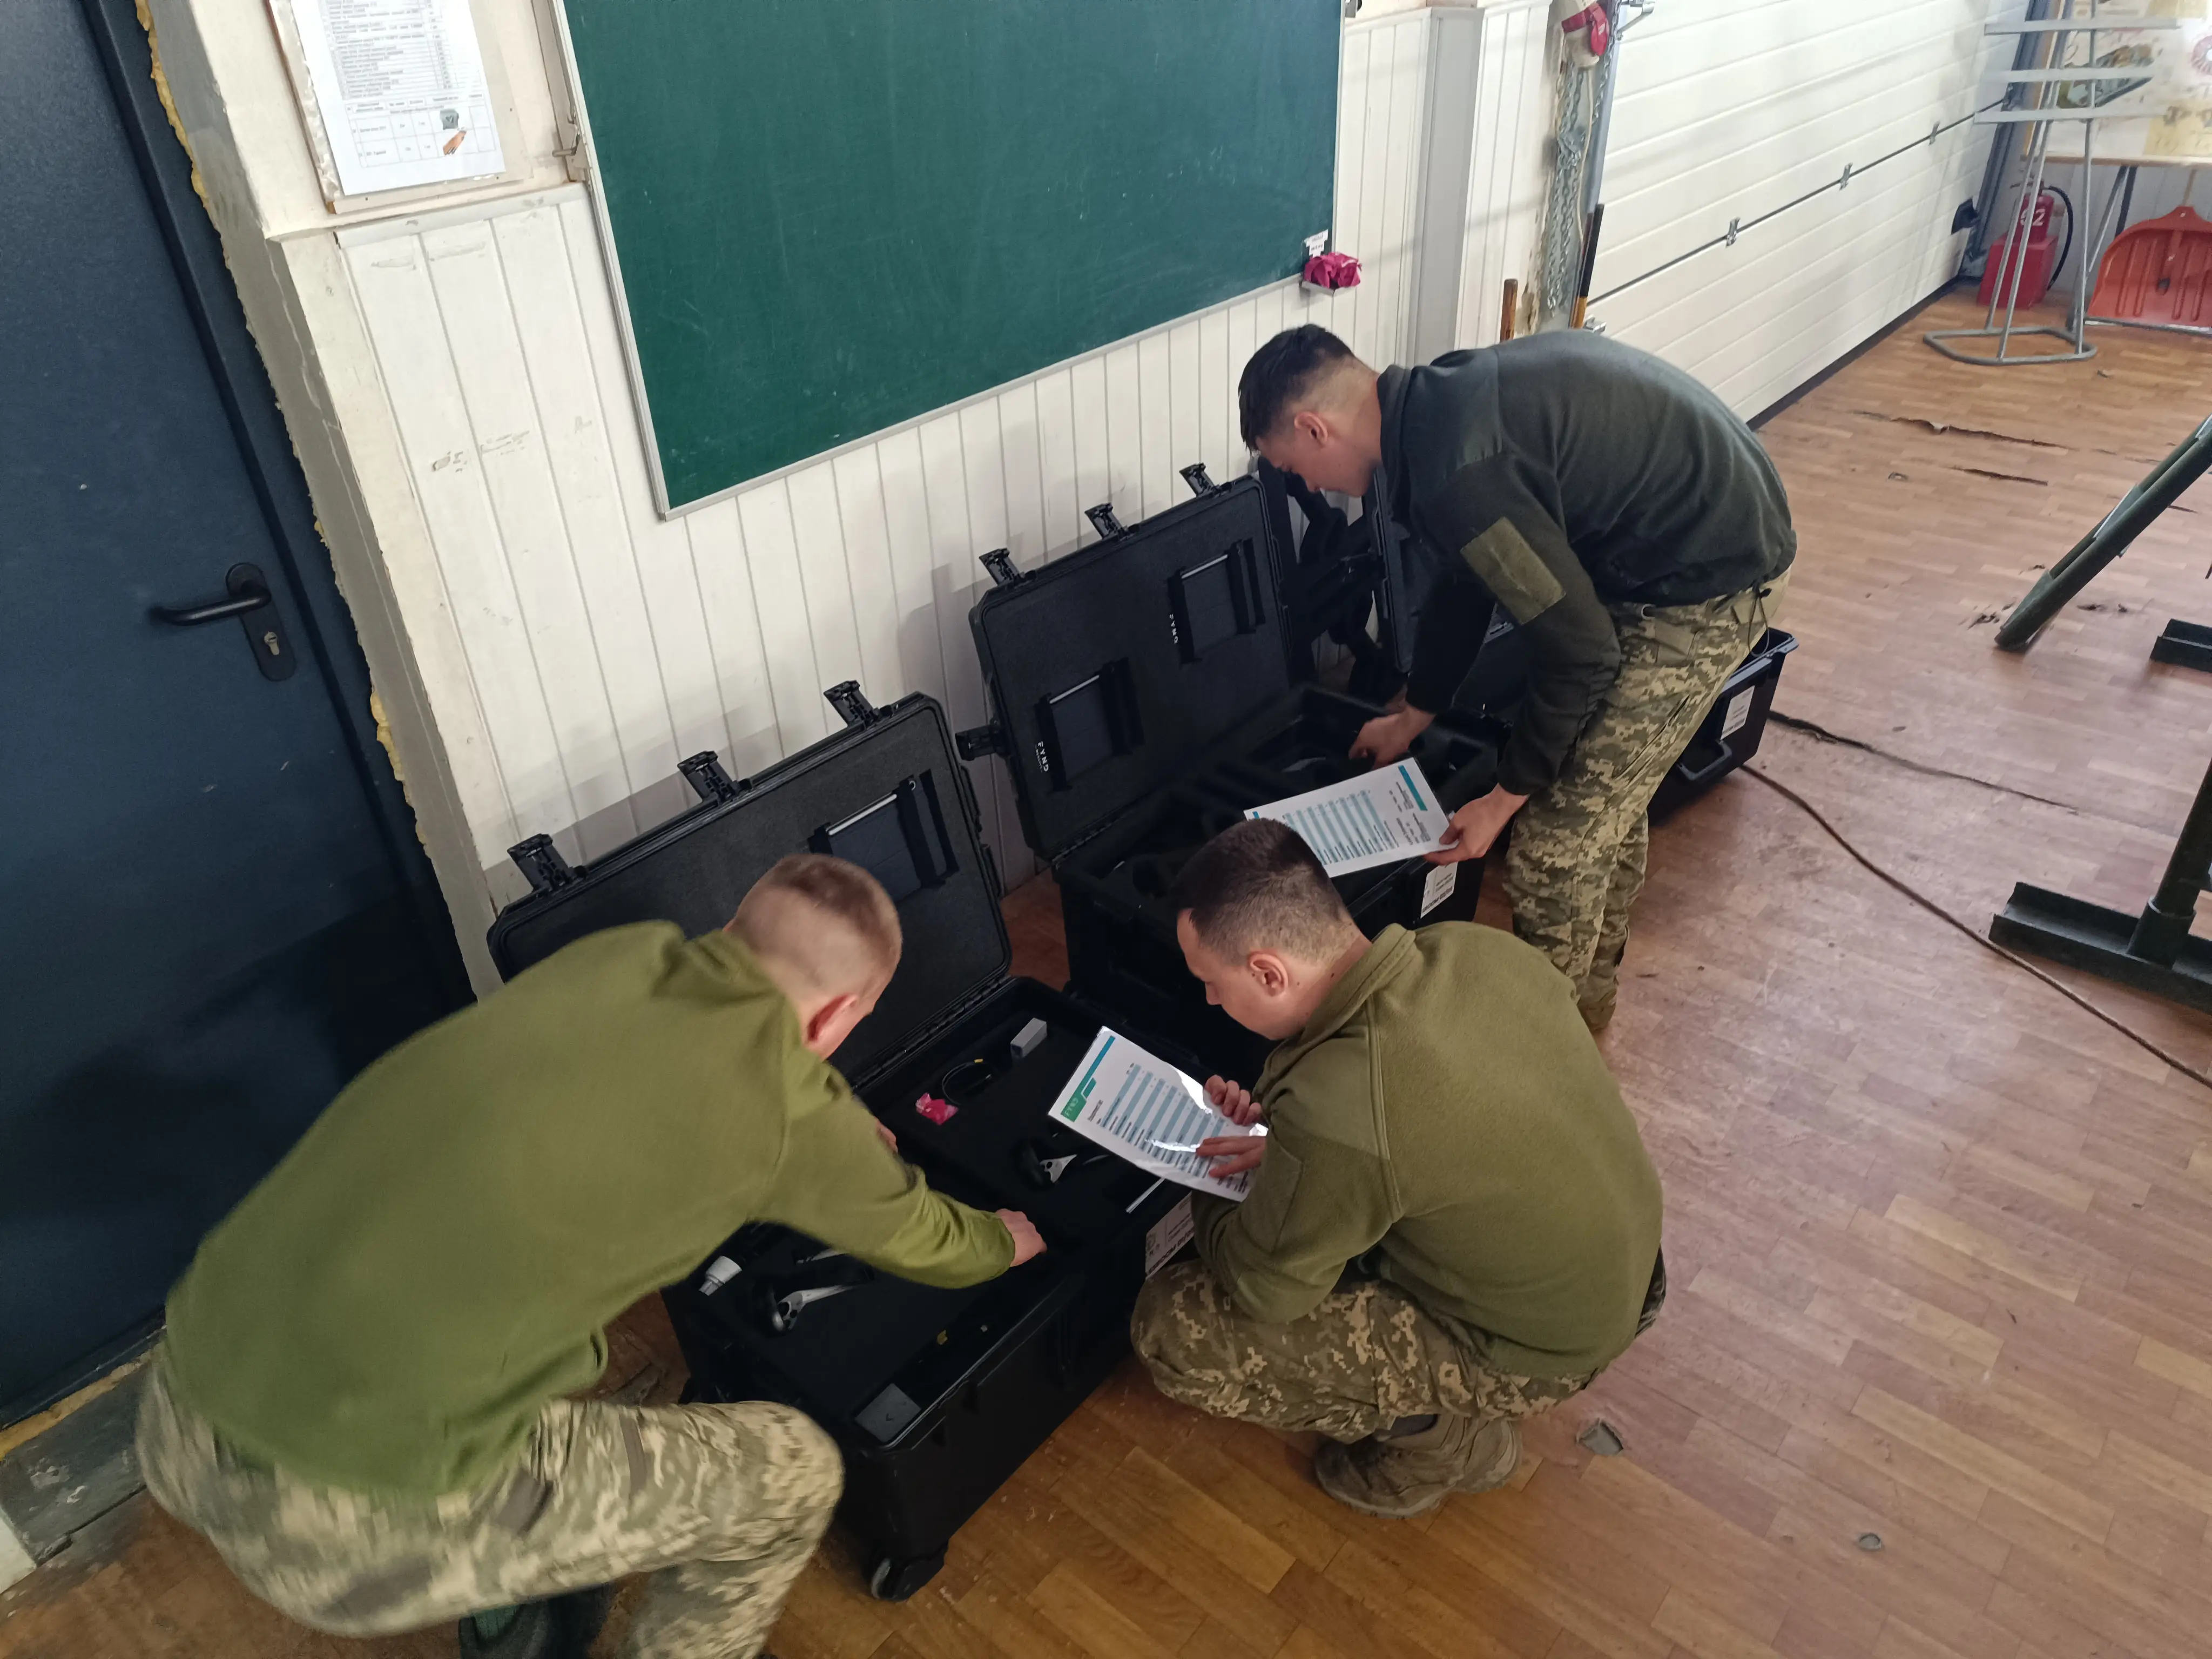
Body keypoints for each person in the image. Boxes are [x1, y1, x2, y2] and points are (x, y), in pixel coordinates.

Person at [136, 854, 1044, 1659]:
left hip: (183, 1394)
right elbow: (934, 1244)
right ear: (842, 1013)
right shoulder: (788, 1116)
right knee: (794, 1474)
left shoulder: (623, 958)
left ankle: (525, 1601)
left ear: (728, 928)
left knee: (530, 1342)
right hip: (336, 1525)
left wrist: (827, 1127)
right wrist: (1008, 1238)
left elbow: (694, 1080)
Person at [1239, 325, 1796, 1030]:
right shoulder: (1431, 408)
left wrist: (1503, 799)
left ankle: (1549, 1060)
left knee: (1553, 848)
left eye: (1293, 468)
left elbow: (1582, 652)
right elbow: (1465, 580)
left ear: (1313, 428)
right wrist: (1417, 712)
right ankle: (1589, 1001)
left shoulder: (1459, 472)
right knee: (1599, 804)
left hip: (1711, 580)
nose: (1307, 487)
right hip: (1668, 548)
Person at [1130, 820, 1663, 1518]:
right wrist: (1291, 1149)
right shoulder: (1471, 947)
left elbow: (1267, 1293)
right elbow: (1422, 1127)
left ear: (1268, 970)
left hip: (1539, 1350)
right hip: (1626, 1268)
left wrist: (1201, 1174)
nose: (1208, 1000)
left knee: (1175, 1331)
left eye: (1211, 981)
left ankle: (1451, 1444)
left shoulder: (1340, 1105)